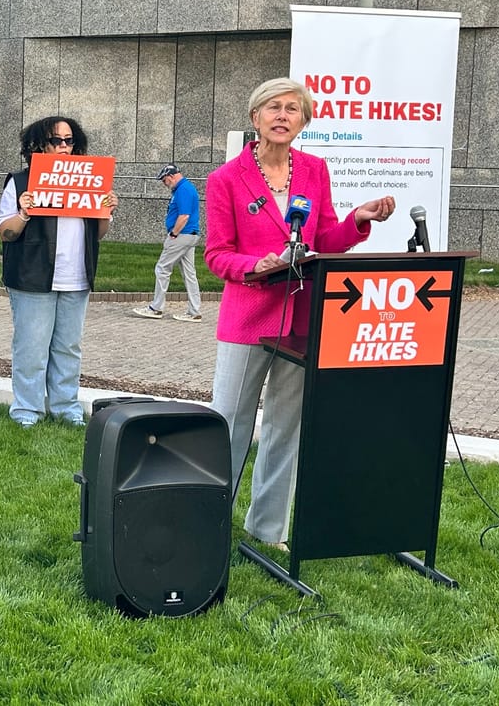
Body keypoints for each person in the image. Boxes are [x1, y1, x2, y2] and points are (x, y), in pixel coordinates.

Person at [205, 77, 396, 550]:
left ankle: (267, 530)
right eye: (273, 107)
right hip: (248, 319)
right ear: (255, 118)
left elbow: (324, 239)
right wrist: (254, 266)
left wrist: (357, 220)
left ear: (303, 121)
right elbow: (217, 254)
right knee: (228, 423)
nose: (283, 116)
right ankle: (208, 522)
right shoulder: (225, 179)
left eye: (293, 109)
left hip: (301, 319)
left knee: (284, 428)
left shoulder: (314, 170)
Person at [0, 116, 116, 427]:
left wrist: (105, 212)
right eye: (56, 140)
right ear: (39, 145)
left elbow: (98, 234)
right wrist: (23, 213)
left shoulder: (89, 181)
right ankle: (27, 411)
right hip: (32, 278)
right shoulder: (20, 182)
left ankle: (66, 409)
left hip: (76, 278)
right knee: (31, 349)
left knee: (68, 349)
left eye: (69, 140)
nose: (64, 146)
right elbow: (6, 232)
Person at [132, 163, 202, 322]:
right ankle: (194, 311)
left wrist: (173, 233)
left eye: (164, 180)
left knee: (162, 268)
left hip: (182, 235)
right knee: (189, 274)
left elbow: (184, 216)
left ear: (171, 176)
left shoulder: (183, 189)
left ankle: (156, 308)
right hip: (190, 235)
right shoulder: (185, 188)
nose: (164, 184)